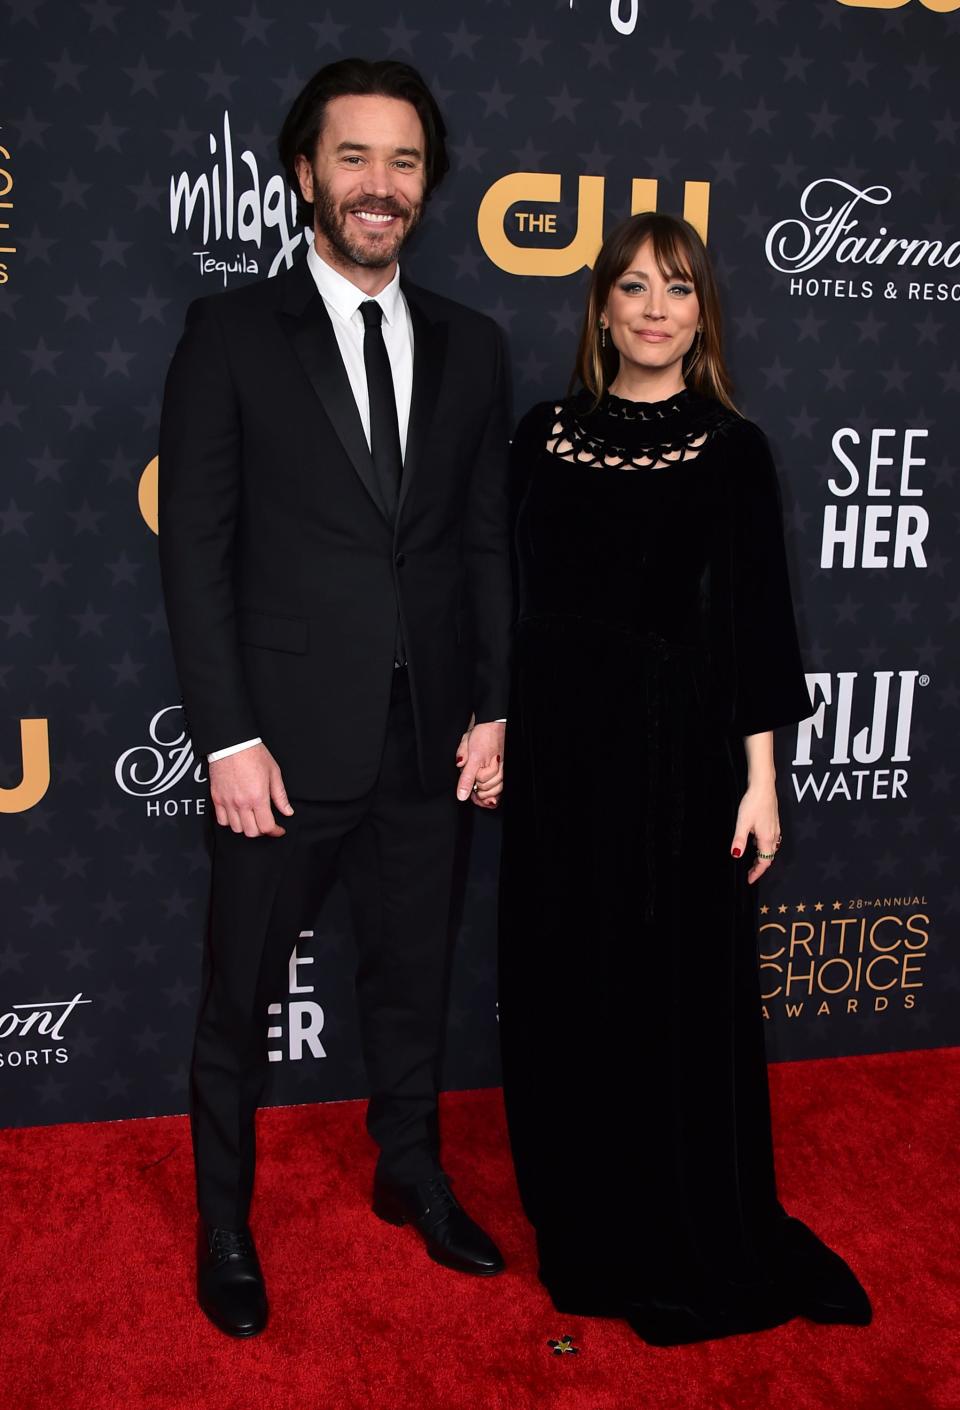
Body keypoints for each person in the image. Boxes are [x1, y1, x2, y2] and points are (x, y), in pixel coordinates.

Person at [158, 58, 511, 1339]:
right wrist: (229, 735)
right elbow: (191, 549)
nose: (380, 185)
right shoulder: (232, 334)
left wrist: (494, 705)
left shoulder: (473, 345)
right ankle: (225, 1225)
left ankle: (409, 1176)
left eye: (405, 161)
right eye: (353, 158)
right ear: (303, 173)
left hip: (431, 744)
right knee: (237, 995)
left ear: (429, 183)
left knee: (413, 981)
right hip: (282, 749)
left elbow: (481, 545)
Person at [498, 212, 871, 1346]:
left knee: (669, 990)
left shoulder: (732, 447)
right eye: (634, 287)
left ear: (701, 313)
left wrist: (762, 784)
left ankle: (686, 1221)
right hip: (561, 757)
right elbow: (502, 602)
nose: (656, 308)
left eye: (679, 289)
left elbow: (758, 631)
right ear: (601, 306)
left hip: (677, 759)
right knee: (570, 980)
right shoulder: (538, 435)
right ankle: (589, 1222)